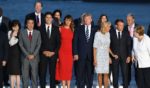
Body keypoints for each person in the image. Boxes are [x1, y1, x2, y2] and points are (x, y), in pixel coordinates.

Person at [73, 13, 97, 88]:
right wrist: (75, 53)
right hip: (80, 55)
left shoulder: (95, 29)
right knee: (80, 73)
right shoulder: (79, 28)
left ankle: (89, 86)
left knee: (90, 73)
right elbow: (75, 41)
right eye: (85, 19)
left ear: (91, 20)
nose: (86, 20)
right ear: (83, 20)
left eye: (88, 19)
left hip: (91, 55)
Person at [39, 12, 60, 88]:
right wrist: (43, 51)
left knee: (52, 73)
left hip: (53, 54)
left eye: (50, 17)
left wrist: (54, 52)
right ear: (45, 19)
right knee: (42, 73)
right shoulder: (40, 29)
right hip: (43, 54)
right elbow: (38, 42)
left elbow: (58, 43)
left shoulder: (56, 28)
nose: (48, 19)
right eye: (47, 17)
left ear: (52, 19)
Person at [19, 18, 41, 88]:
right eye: (29, 23)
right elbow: (21, 44)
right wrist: (27, 54)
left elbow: (39, 44)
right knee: (25, 77)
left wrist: (33, 54)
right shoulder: (22, 33)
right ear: (26, 24)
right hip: (25, 58)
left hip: (35, 58)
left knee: (34, 76)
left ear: (34, 24)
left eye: (32, 23)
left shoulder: (37, 33)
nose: (31, 25)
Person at [110, 19, 131, 88]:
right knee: (115, 74)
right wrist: (110, 56)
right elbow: (108, 45)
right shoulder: (111, 33)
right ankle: (115, 86)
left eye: (123, 25)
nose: (122, 27)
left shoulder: (126, 33)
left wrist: (129, 56)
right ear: (116, 26)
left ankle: (125, 86)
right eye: (120, 25)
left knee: (125, 74)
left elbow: (128, 45)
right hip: (114, 57)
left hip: (124, 57)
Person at [55, 15, 74, 88]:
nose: (68, 22)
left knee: (69, 69)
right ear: (64, 20)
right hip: (62, 51)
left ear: (71, 21)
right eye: (66, 20)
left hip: (70, 52)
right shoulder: (60, 29)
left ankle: (68, 86)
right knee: (62, 68)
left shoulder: (72, 29)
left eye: (69, 20)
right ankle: (63, 86)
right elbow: (57, 41)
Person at [93, 22, 112, 88]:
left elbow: (108, 47)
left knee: (106, 74)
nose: (110, 28)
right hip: (99, 56)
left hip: (106, 56)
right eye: (109, 27)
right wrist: (95, 59)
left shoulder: (108, 34)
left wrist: (111, 56)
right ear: (105, 27)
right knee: (100, 74)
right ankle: (100, 87)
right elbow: (95, 47)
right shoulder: (97, 34)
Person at [125, 13, 138, 85]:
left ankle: (138, 82)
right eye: (127, 20)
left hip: (136, 51)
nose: (128, 21)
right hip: (127, 51)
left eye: (129, 20)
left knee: (137, 67)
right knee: (127, 68)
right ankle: (127, 82)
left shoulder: (138, 26)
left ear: (133, 20)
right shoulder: (124, 28)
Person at [7, 20, 21, 88]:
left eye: (17, 26)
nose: (16, 27)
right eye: (15, 26)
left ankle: (18, 86)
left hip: (19, 56)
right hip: (12, 56)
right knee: (12, 74)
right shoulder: (9, 33)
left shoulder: (21, 33)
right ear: (12, 27)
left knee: (18, 74)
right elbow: (10, 43)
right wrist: (13, 35)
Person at [0, 7, 11, 87]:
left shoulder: (7, 20)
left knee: (5, 66)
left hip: (5, 43)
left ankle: (5, 81)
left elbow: (10, 30)